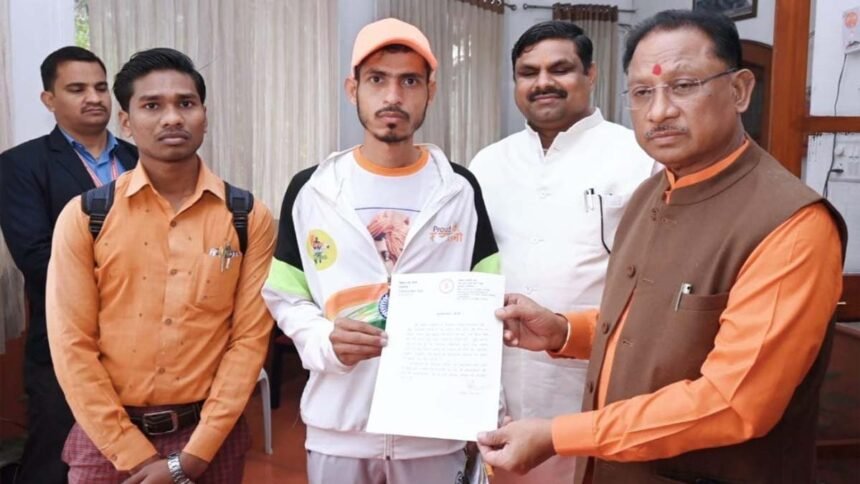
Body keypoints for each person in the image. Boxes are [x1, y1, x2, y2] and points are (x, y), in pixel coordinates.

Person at [477, 10, 846, 484]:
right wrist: (563, 332)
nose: (659, 112)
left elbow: (733, 404)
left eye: (684, 86)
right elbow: (648, 321)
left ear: (739, 90)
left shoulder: (791, 225)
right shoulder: (652, 194)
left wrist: (559, 434)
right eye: (642, 92)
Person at [262, 18, 499, 484]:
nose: (393, 96)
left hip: (434, 431)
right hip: (339, 427)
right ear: (352, 89)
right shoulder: (312, 189)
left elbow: (486, 302)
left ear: (430, 91)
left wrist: (484, 408)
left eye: (409, 81)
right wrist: (323, 341)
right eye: (377, 79)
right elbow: (286, 296)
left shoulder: (459, 189)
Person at [46, 48, 275, 483]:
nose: (172, 118)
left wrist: (193, 458)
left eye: (185, 103)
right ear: (126, 121)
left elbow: (248, 341)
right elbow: (71, 345)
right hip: (107, 438)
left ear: (204, 116)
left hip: (210, 438)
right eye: (152, 106)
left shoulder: (246, 217)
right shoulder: (86, 216)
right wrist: (134, 455)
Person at [469, 20, 657, 484]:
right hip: (500, 388)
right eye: (528, 72)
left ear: (591, 74)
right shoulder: (487, 164)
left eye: (560, 69)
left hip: (597, 387)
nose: (543, 82)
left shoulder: (640, 157)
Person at [0, 46, 137, 484]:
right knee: (55, 459)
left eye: (100, 87)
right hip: (68, 339)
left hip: (145, 342)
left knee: (133, 459)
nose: (93, 98)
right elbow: (37, 258)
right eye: (76, 89)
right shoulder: (20, 165)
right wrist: (132, 284)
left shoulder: (140, 158)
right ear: (49, 99)